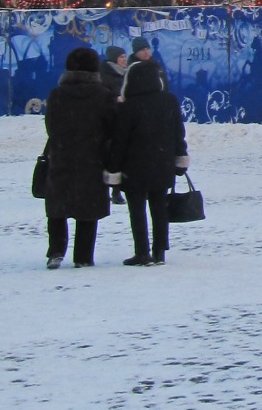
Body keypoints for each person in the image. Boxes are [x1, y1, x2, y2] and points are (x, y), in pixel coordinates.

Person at [42, 45, 121, 266]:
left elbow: (51, 126)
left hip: (62, 156)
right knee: (88, 208)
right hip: (92, 158)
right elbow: (112, 127)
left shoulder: (57, 94)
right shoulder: (103, 95)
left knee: (58, 206)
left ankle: (56, 250)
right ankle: (83, 257)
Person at [107, 58, 188, 263]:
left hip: (134, 167)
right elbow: (178, 132)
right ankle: (159, 251)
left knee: (137, 210)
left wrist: (114, 168)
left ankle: (142, 252)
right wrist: (180, 157)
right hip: (162, 164)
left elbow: (119, 141)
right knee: (159, 208)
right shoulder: (168, 100)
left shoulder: (128, 106)